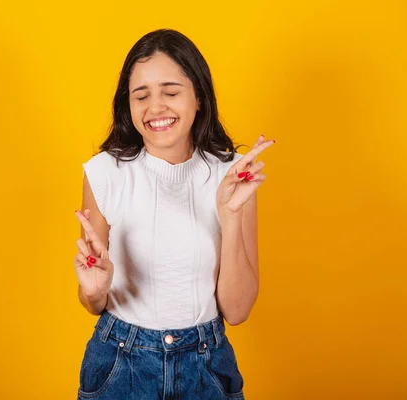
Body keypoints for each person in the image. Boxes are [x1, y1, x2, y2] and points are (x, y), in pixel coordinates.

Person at [73, 29, 275, 400]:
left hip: (207, 367)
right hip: (120, 364)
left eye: (170, 92)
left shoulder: (231, 174)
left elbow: (238, 310)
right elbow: (93, 302)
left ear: (198, 97)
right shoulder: (104, 173)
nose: (155, 108)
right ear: (127, 105)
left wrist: (230, 216)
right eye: (141, 95)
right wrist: (93, 292)